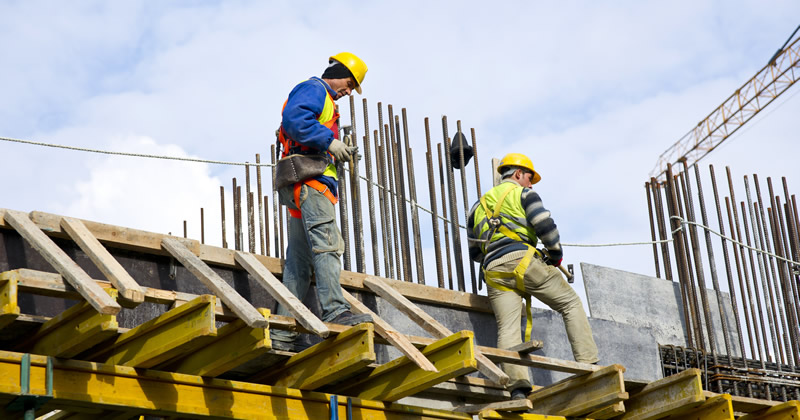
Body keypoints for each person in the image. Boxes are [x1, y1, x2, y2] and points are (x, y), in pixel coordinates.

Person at [467, 153, 599, 400]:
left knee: (507, 328)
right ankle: (589, 364)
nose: (530, 184)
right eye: (529, 178)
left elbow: (475, 252)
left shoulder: (477, 206)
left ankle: (517, 388)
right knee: (570, 303)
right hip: (524, 261)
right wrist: (555, 255)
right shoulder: (524, 194)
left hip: (493, 270)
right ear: (517, 174)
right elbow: (545, 226)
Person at [271, 52, 372, 352]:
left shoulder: (326, 101)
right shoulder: (315, 89)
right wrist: (330, 142)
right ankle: (335, 310)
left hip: (302, 185)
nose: (349, 91)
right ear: (337, 72)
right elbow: (294, 120)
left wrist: (336, 148)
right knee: (328, 245)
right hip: (311, 185)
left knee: (299, 264)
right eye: (350, 83)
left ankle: (283, 332)